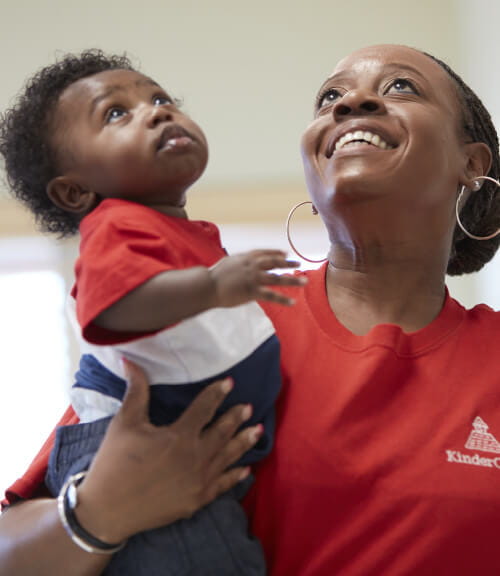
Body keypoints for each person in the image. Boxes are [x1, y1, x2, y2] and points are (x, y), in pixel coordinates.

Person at [1, 43, 499, 576]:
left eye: (401, 87)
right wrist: (98, 510)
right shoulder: (213, 315)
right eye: (330, 97)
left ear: (471, 164)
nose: (350, 105)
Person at [0, 50, 306, 575]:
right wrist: (211, 286)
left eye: (161, 98)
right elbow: (114, 308)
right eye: (116, 113)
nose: (157, 111)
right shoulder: (115, 226)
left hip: (181, 452)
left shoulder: (180, 233)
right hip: (137, 448)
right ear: (75, 189)